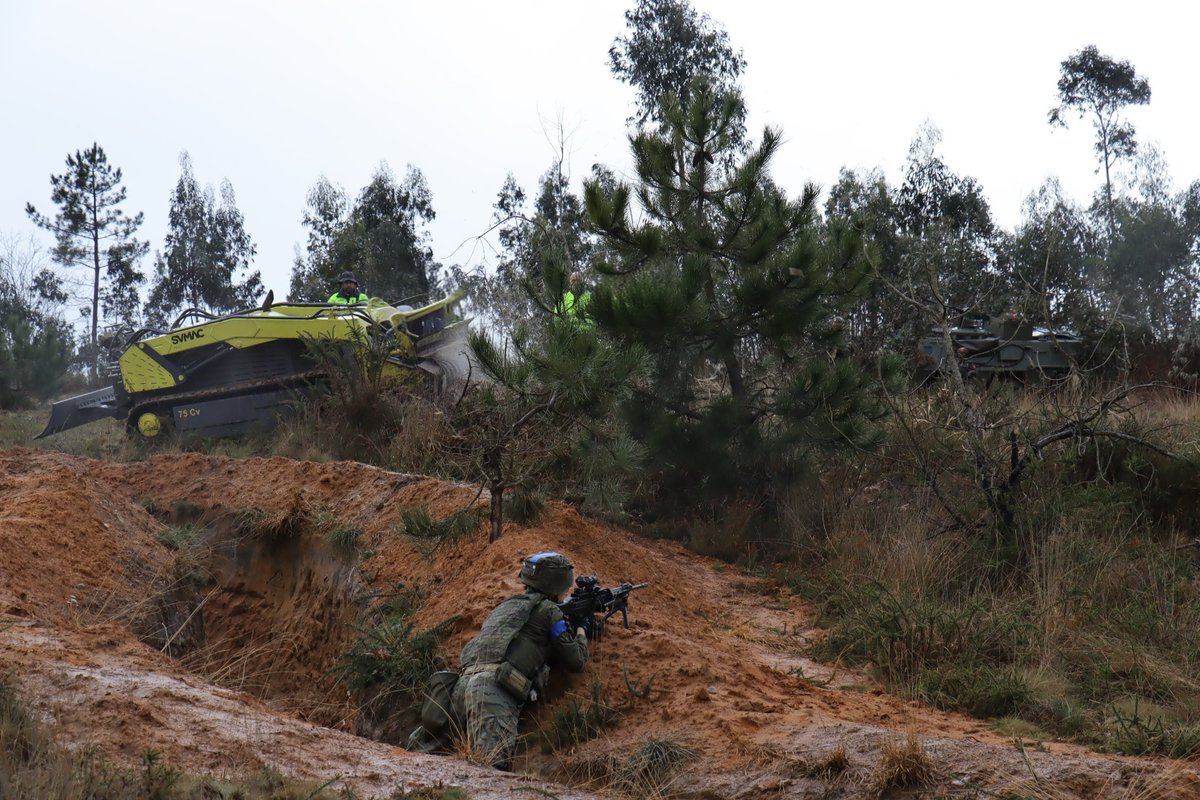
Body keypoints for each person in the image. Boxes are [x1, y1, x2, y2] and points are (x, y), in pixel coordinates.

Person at [406, 552, 589, 768]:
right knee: (489, 772)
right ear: (558, 585)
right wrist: (581, 629)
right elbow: (575, 660)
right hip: (492, 693)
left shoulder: (508, 606)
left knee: (419, 763)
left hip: (459, 689)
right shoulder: (549, 611)